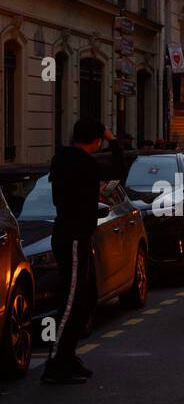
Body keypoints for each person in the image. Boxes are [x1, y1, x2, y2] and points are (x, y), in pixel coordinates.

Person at [43, 120, 128, 384]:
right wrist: (113, 140)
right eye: (101, 138)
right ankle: (56, 363)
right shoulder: (82, 162)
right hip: (74, 237)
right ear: (96, 139)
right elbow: (118, 167)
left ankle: (67, 356)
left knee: (87, 298)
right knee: (71, 302)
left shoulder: (65, 160)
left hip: (74, 235)